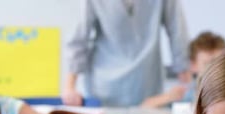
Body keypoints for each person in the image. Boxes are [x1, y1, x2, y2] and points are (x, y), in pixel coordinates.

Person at [62, 0, 191, 107]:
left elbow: (178, 34)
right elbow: (78, 39)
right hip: (103, 90)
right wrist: (70, 87)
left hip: (147, 87)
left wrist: (187, 89)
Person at [148, 31, 225, 114]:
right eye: (208, 64)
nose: (214, 70)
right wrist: (169, 97)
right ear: (193, 64)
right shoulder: (185, 94)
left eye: (220, 63)